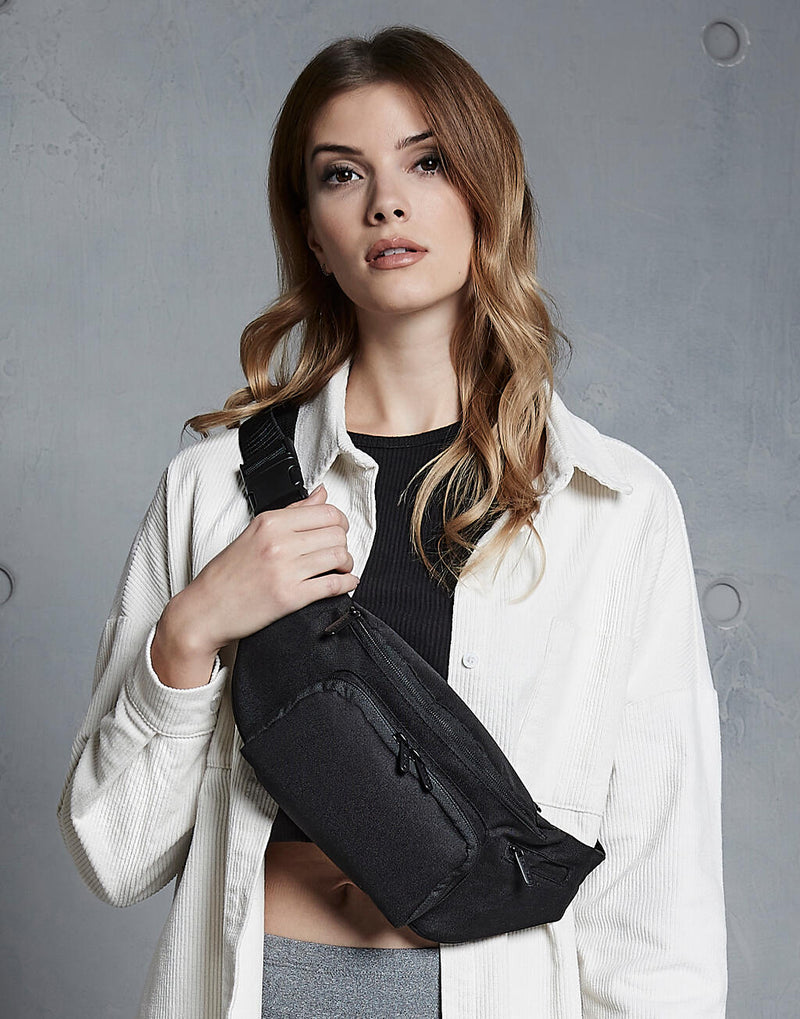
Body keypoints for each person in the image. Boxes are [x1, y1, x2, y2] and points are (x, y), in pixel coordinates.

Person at [57, 24, 727, 1019]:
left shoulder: (613, 506)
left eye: (427, 161)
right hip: (267, 986)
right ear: (312, 233)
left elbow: (656, 896)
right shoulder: (211, 492)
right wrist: (190, 632)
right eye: (342, 174)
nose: (386, 202)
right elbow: (115, 855)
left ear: (486, 192)